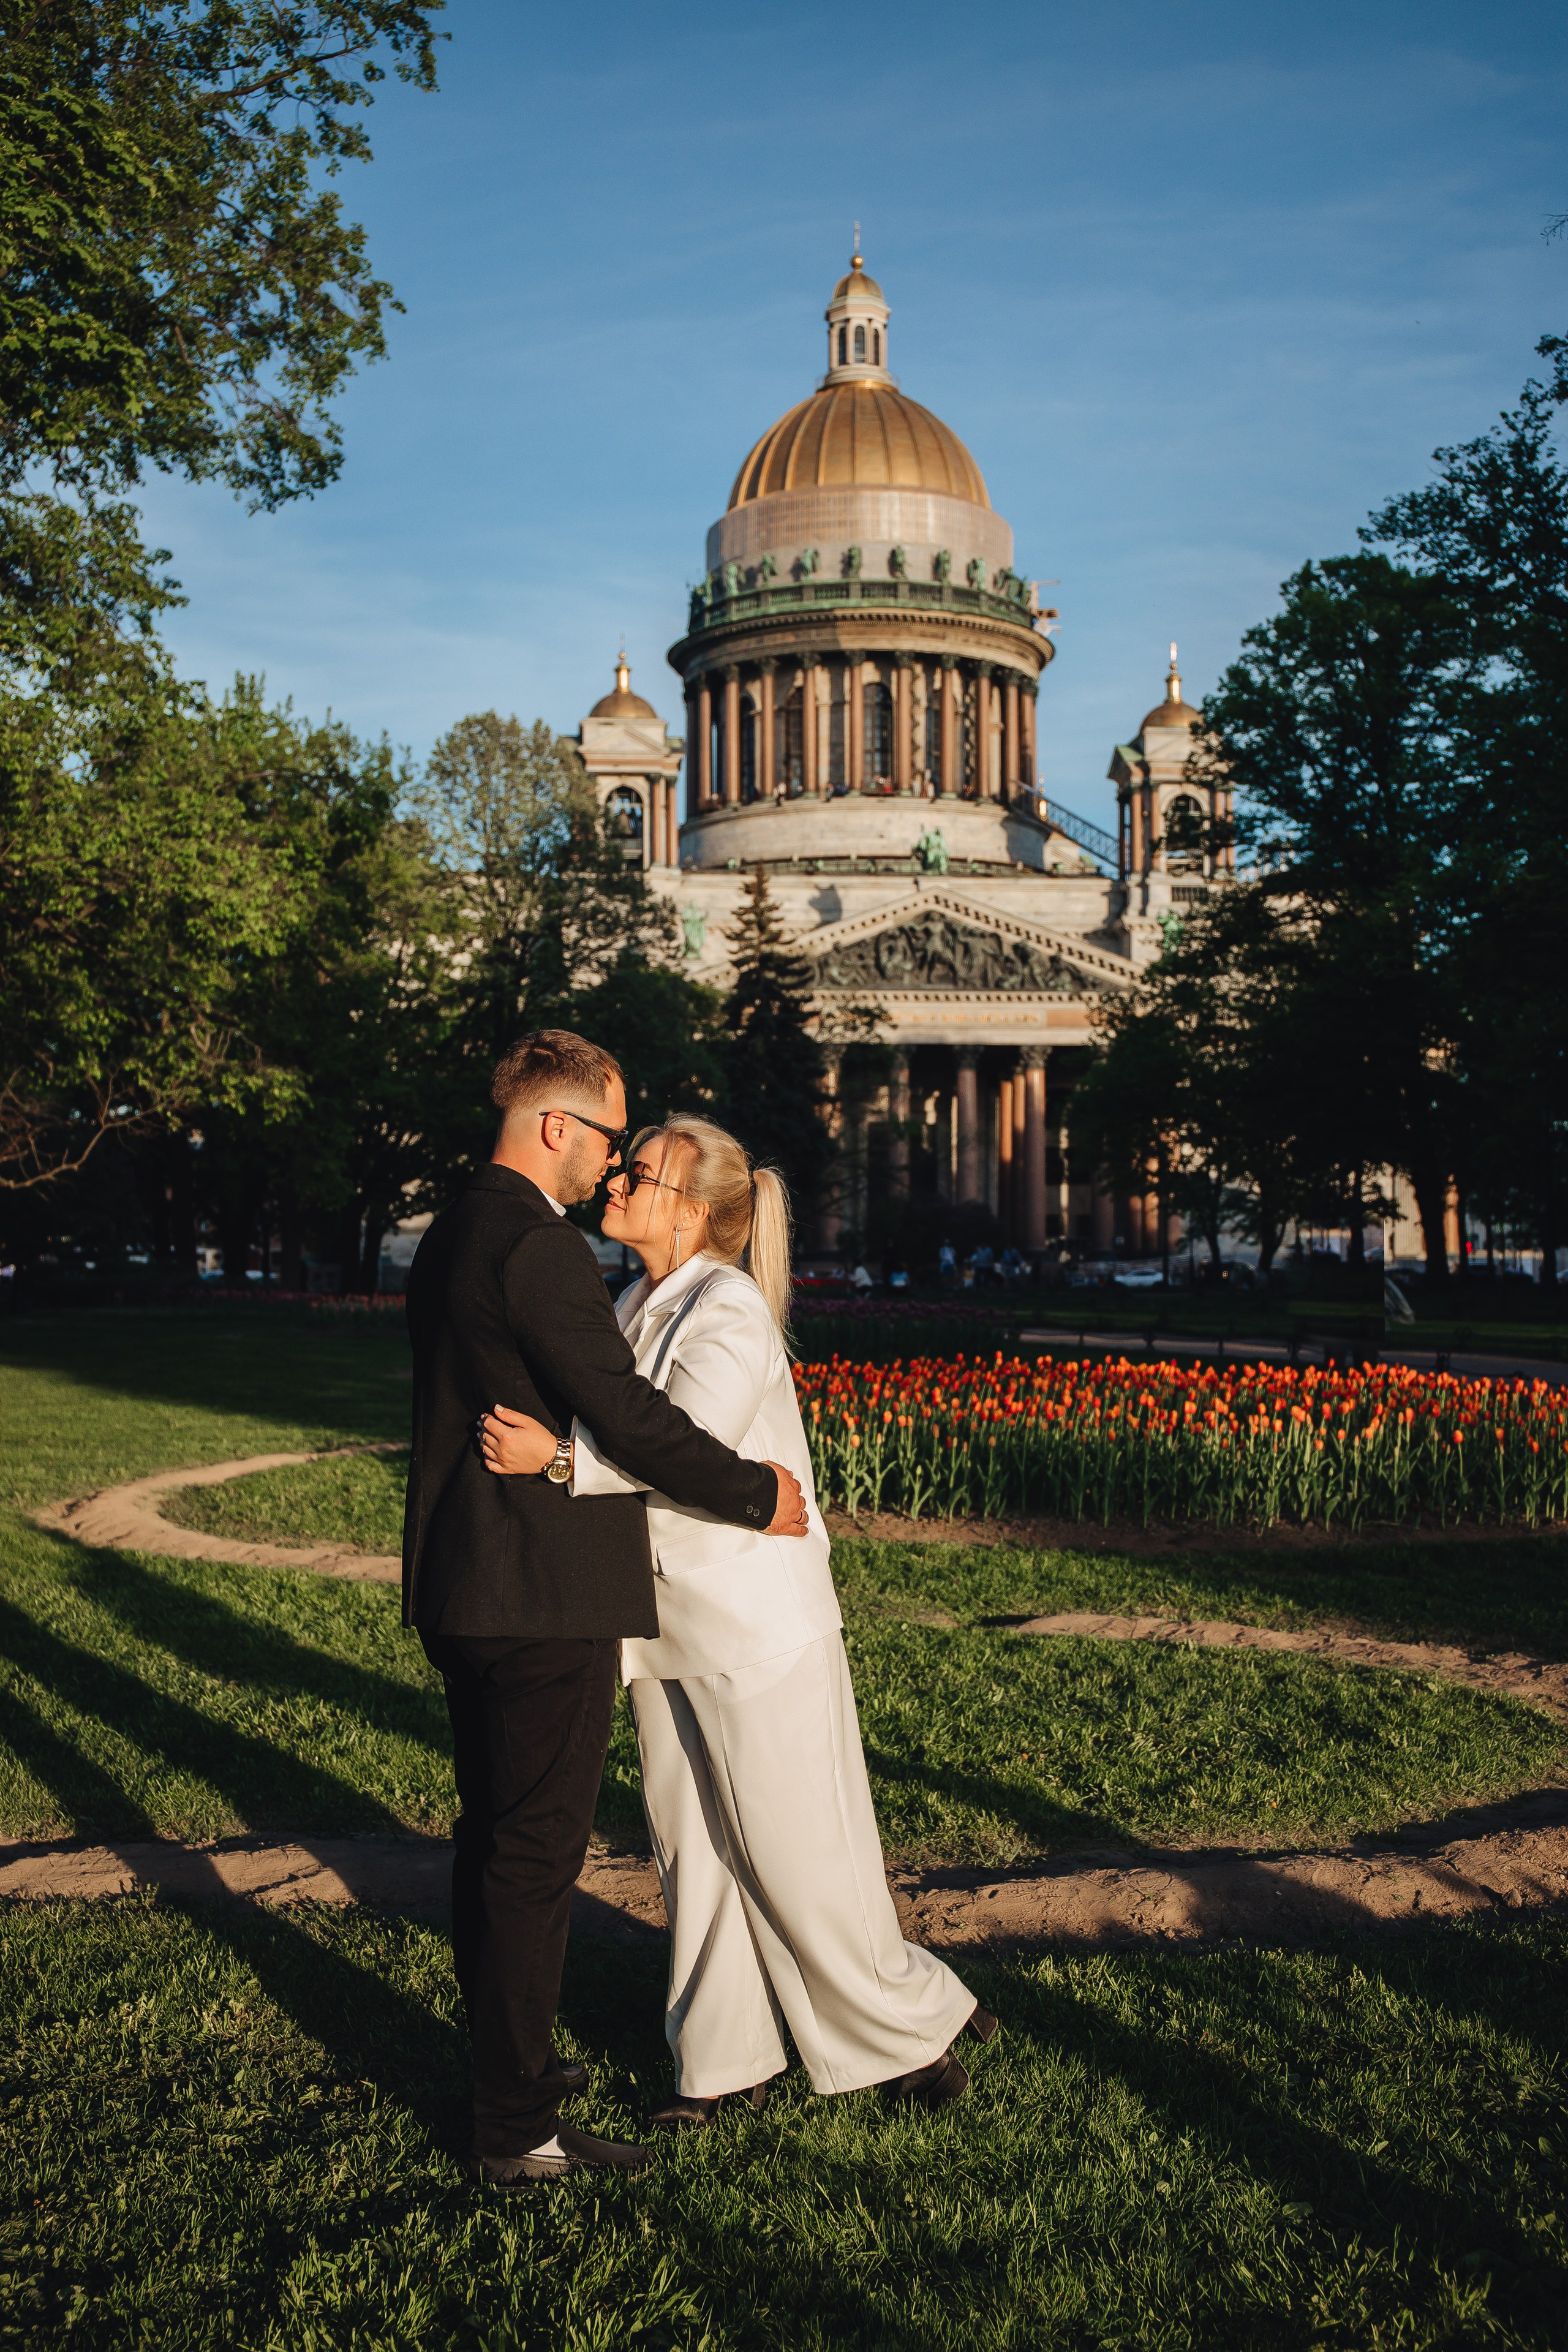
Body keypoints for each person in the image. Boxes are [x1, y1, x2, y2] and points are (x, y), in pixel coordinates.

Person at [481, 1115, 994, 2127]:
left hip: (755, 1621)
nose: (617, 1180)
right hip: (660, 1620)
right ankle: (722, 2062)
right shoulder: (636, 1299)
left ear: (693, 1211)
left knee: (798, 1851)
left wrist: (558, 1460)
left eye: (640, 1173)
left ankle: (912, 2034)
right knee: (698, 1856)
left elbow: (685, 1445)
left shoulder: (727, 1308)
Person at [403, 1033, 809, 2190]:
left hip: (468, 1580)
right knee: (533, 1861)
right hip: (543, 1590)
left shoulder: (455, 1228)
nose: (611, 1163)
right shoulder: (538, 1246)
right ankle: (517, 2129)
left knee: (494, 1843)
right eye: (606, 1138)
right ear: (554, 1127)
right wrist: (757, 1493)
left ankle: (511, 2074)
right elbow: (628, 1417)